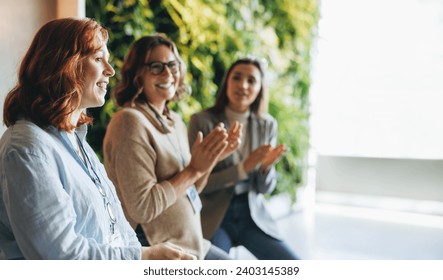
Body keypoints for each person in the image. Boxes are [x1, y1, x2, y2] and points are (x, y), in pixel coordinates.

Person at [0, 17, 194, 260]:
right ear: (64, 65)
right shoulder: (28, 148)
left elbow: (120, 230)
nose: (111, 70)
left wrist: (143, 256)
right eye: (99, 59)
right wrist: (142, 259)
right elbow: (59, 256)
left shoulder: (75, 140)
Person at [102, 35, 241, 260]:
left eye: (173, 65)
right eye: (156, 67)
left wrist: (210, 159)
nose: (168, 74)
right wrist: (193, 169)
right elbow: (142, 208)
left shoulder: (174, 120)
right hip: (158, 249)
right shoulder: (129, 121)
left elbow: (191, 188)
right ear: (137, 74)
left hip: (192, 243)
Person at [188, 56, 299, 260]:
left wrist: (265, 168)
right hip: (214, 217)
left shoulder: (267, 125)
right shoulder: (202, 121)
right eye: (237, 78)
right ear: (227, 82)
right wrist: (243, 168)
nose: (243, 85)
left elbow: (265, 189)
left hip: (252, 216)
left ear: (259, 89)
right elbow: (194, 183)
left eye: (251, 81)